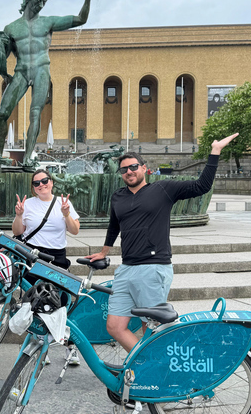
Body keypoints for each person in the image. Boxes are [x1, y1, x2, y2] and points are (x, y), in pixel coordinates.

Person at [85, 133, 238, 352]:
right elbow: (113, 226)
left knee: (152, 328)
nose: (129, 172)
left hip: (153, 269)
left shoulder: (163, 189)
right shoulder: (118, 196)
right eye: (124, 169)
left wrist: (215, 152)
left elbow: (201, 186)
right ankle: (147, 364)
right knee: (115, 327)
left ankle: (156, 372)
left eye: (133, 167)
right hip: (126, 269)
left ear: (144, 168)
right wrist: (103, 251)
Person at [0, 0, 112, 166]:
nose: (41, 4)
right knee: (2, 113)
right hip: (21, 71)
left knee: (35, 112)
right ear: (28, 0)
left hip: (42, 69)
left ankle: (27, 157)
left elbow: (80, 19)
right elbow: (2, 54)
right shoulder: (11, 28)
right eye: (38, 0)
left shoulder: (48, 22)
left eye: (44, 1)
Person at [13, 169, 82, 364]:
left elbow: (75, 230)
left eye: (45, 181)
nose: (41, 185)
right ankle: (40, 347)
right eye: (37, 183)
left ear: (51, 182)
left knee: (61, 303)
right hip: (33, 256)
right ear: (33, 188)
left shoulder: (63, 203)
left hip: (57, 257)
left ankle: (70, 347)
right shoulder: (27, 204)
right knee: (34, 302)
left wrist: (66, 214)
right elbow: (18, 231)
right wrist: (19, 215)